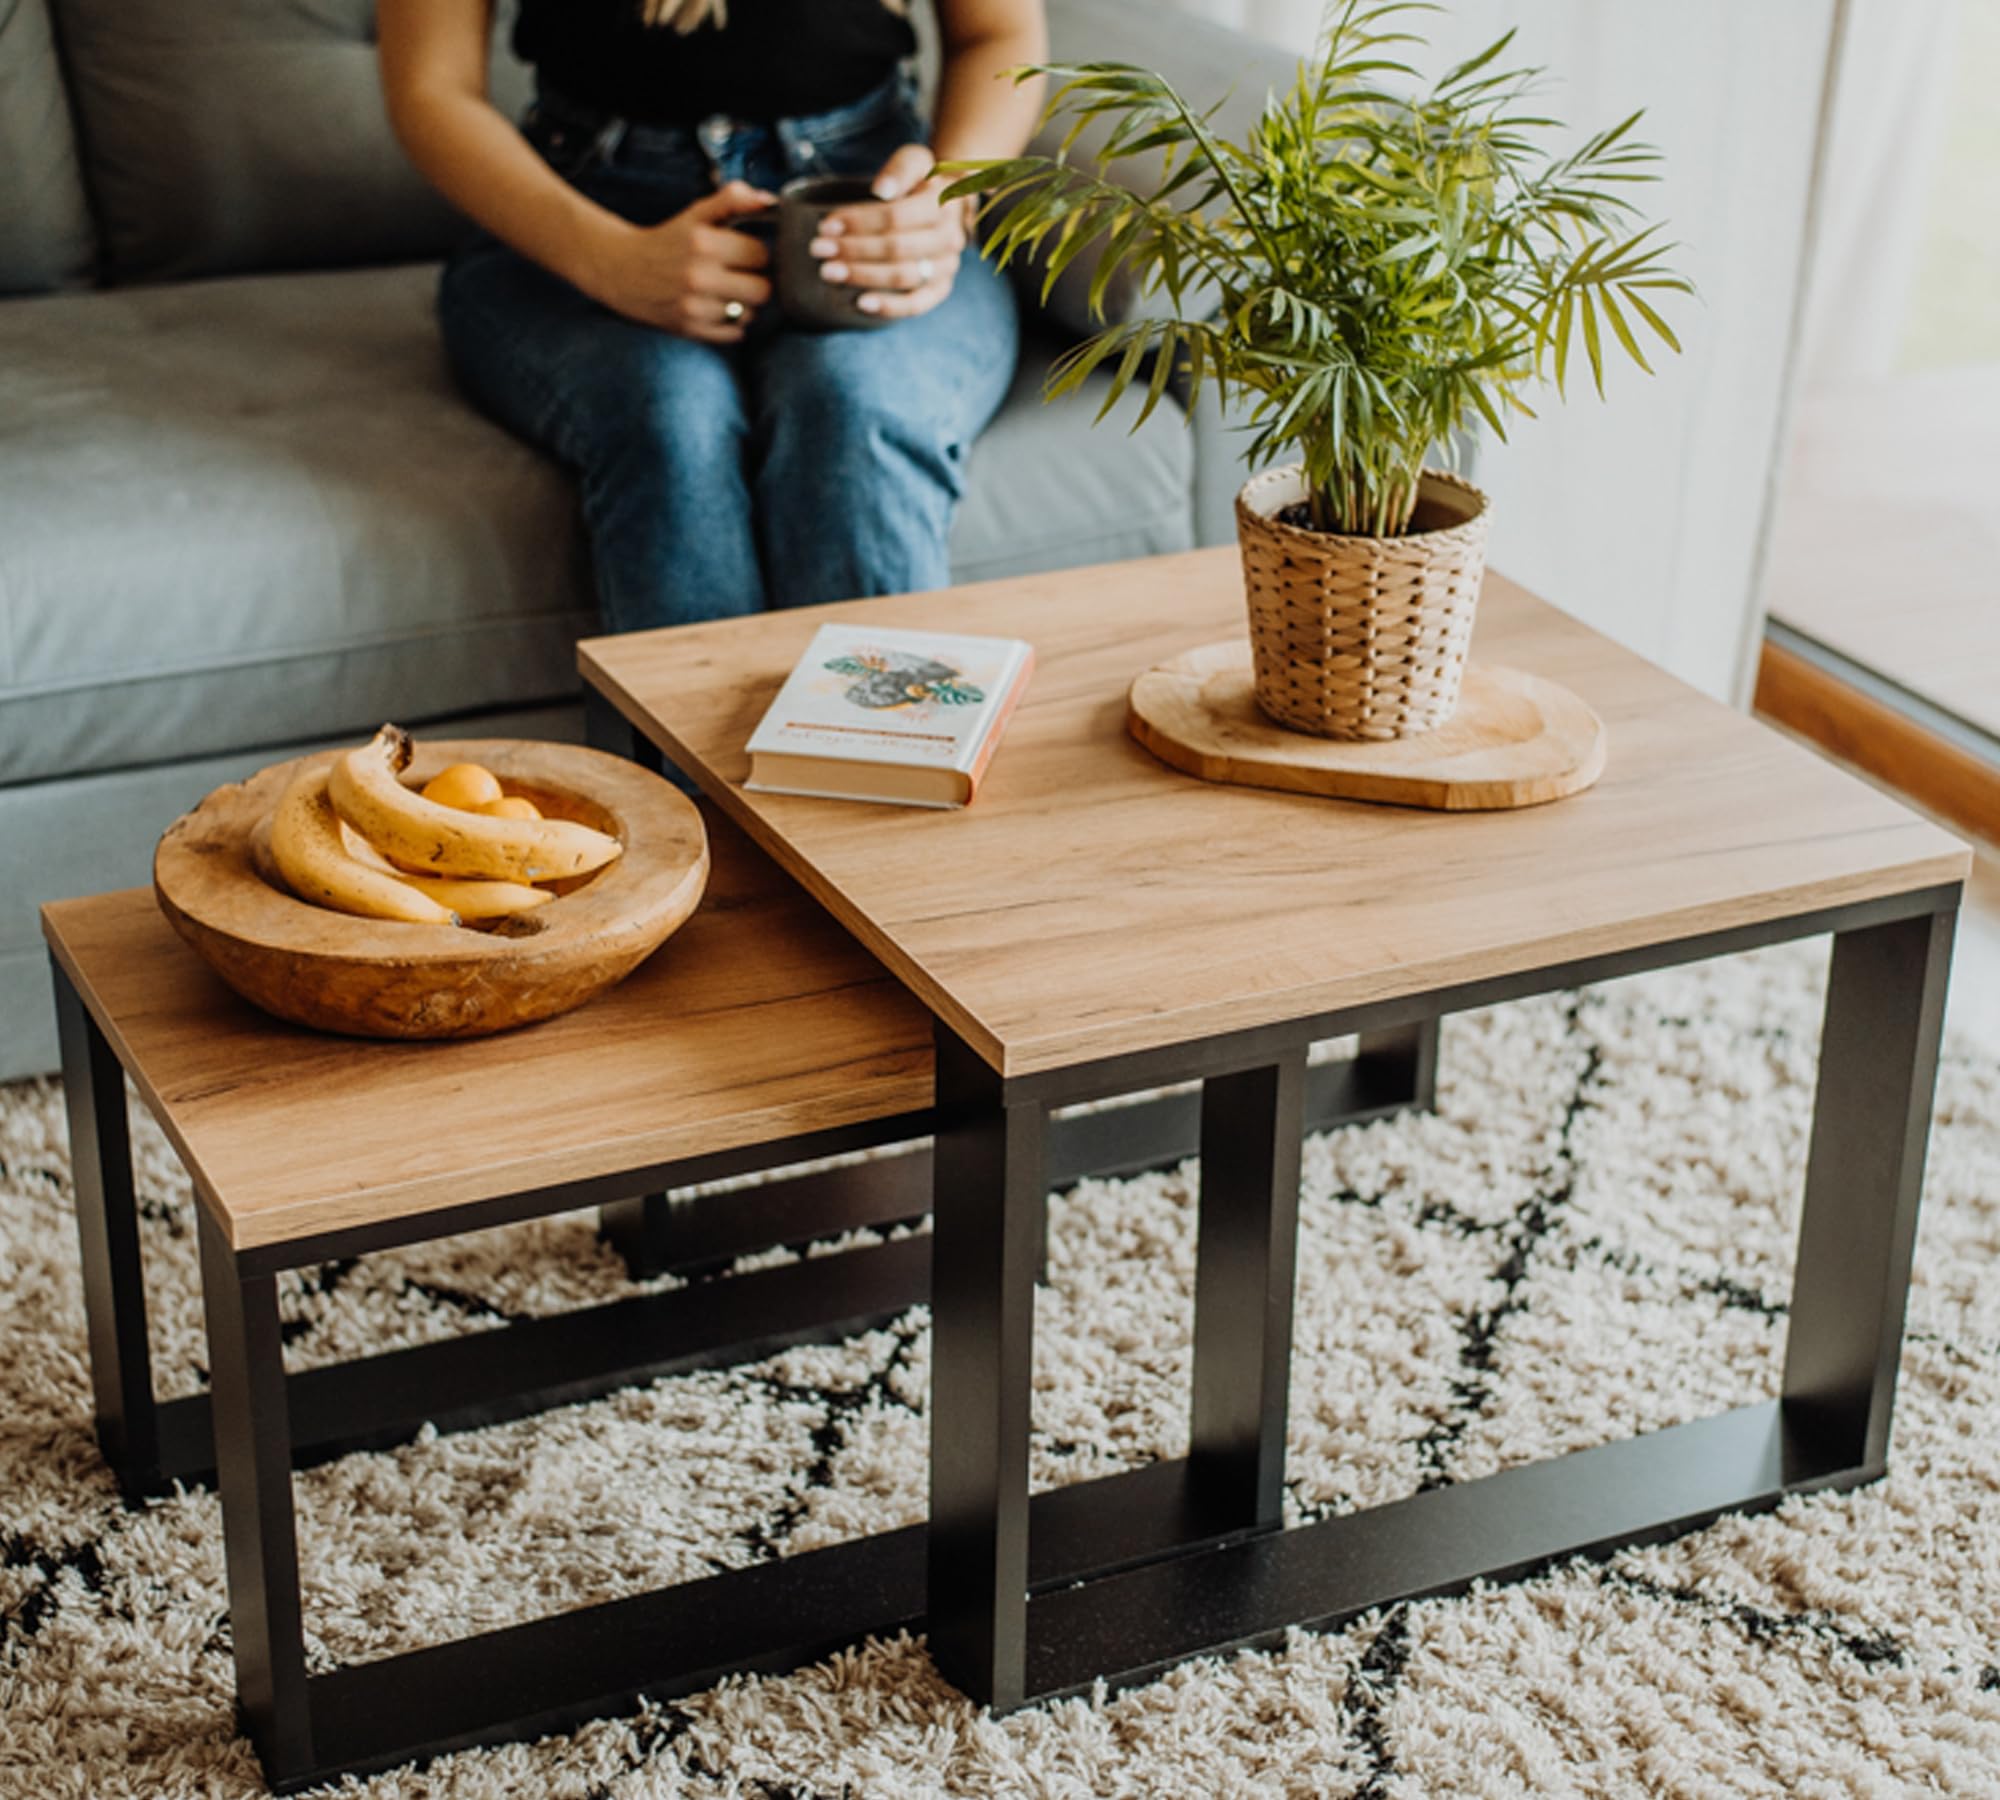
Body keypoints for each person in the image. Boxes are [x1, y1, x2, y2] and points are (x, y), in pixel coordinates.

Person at [380, 0, 1046, 635]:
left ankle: (880, 753)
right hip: (578, 208)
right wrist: (609, 261)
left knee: (858, 406)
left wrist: (943, 197)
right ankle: (686, 757)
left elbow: (998, 34)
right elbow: (431, 86)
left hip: (866, 197)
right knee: (667, 415)